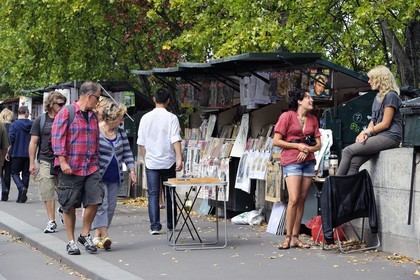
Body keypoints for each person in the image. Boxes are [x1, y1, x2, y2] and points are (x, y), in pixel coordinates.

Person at [51, 81, 104, 255]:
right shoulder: (67, 112)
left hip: (91, 166)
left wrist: (97, 162)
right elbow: (57, 138)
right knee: (69, 205)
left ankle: (84, 234)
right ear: (89, 96)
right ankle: (71, 241)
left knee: (95, 199)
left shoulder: (93, 116)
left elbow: (95, 141)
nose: (98, 101)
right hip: (71, 167)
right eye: (98, 97)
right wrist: (63, 161)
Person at [273, 90, 321, 249]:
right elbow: (277, 141)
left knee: (302, 199)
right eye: (308, 97)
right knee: (293, 198)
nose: (311, 99)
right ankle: (287, 237)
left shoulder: (313, 119)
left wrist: (308, 149)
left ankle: (295, 237)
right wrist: (297, 146)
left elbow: (319, 144)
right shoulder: (286, 116)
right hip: (291, 160)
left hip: (308, 162)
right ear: (299, 101)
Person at [336, 66, 402, 176]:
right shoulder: (377, 97)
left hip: (390, 136)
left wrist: (366, 132)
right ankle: (349, 192)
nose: (369, 81)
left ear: (380, 79)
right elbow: (373, 121)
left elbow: (385, 124)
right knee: (354, 162)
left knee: (347, 151)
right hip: (378, 136)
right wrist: (366, 134)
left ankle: (334, 187)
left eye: (371, 78)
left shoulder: (391, 95)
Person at [137, 87, 183, 235]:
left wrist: (146, 158)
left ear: (154, 99)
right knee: (170, 193)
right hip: (168, 161)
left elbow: (141, 143)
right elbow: (175, 139)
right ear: (168, 101)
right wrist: (179, 158)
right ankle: (171, 224)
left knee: (153, 194)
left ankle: (155, 226)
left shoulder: (145, 118)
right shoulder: (172, 118)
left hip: (152, 163)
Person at [92, 102, 137, 250]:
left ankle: (97, 236)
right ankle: (105, 236)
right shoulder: (96, 131)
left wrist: (132, 170)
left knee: (111, 207)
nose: (121, 121)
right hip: (99, 175)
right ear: (111, 118)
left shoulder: (121, 131)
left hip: (115, 176)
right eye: (120, 118)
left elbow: (127, 152)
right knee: (102, 205)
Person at [28, 91, 67, 233]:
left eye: (64, 104)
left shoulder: (66, 119)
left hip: (63, 160)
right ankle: (52, 221)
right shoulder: (41, 120)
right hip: (45, 160)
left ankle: (63, 209)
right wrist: (32, 163)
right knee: (47, 190)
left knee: (65, 191)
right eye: (60, 104)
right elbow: (33, 142)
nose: (63, 107)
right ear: (51, 104)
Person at [8, 106, 32, 203]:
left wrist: (8, 151)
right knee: (26, 174)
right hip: (29, 153)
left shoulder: (14, 125)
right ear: (26, 112)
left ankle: (21, 188)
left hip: (16, 152)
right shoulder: (32, 124)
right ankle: (22, 196)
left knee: (14, 173)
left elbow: (11, 139)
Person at [0, 108, 14, 201]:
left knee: (1, 173)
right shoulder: (12, 126)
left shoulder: (1, 125)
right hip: (9, 152)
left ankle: (3, 188)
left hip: (2, 153)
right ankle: (6, 193)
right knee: (7, 174)